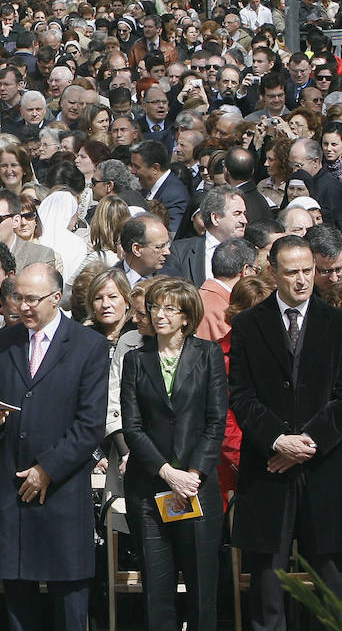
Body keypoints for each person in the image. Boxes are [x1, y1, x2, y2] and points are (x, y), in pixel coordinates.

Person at [0, 262, 109, 631]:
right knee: (17, 602)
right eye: (18, 298)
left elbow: (90, 423)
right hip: (9, 492)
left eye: (33, 299)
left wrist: (48, 468)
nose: (23, 307)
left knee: (70, 602)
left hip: (60, 491)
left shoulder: (88, 346)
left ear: (57, 298)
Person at [228, 235, 342, 631]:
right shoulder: (247, 325)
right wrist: (278, 440)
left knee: (331, 581)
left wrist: (306, 443)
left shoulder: (336, 323)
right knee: (267, 585)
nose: (301, 280)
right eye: (291, 272)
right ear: (272, 272)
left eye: (307, 271)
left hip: (324, 469)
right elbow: (242, 396)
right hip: (268, 470)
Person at [120, 277, 227, 631]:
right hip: (149, 487)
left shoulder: (208, 354)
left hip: (196, 486)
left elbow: (216, 421)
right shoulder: (136, 359)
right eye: (155, 307)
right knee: (156, 585)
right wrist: (168, 473)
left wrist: (192, 474)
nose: (160, 315)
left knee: (202, 588)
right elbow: (132, 427)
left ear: (186, 316)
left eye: (170, 308)